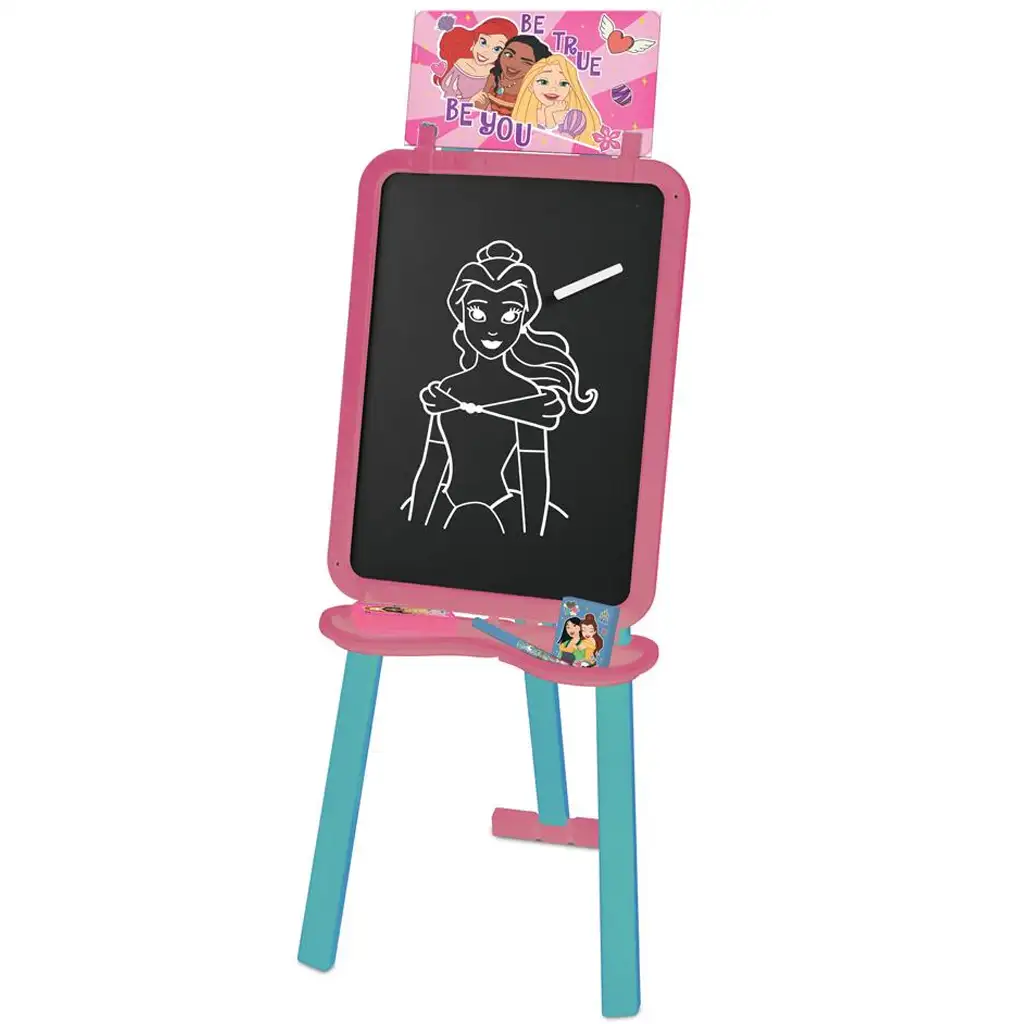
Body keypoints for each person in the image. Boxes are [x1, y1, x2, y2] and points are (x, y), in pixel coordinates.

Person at [402, 240, 597, 536]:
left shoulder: (528, 394)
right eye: (478, 314)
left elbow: (533, 474)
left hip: (504, 512)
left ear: (523, 320)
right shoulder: (449, 389)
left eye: (509, 316)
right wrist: (415, 526)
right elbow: (431, 466)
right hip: (445, 508)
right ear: (462, 316)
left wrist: (533, 538)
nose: (493, 329)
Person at [433, 16, 517, 104]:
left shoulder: (495, 73)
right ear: (474, 43)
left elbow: (497, 96)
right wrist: (470, 101)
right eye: (483, 42)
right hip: (457, 108)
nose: (485, 52)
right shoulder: (461, 64)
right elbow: (448, 93)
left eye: (497, 49)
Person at [473, 35, 552, 116]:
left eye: (526, 62)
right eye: (508, 54)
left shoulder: (533, 88)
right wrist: (478, 105)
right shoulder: (494, 76)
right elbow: (482, 102)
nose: (512, 64)